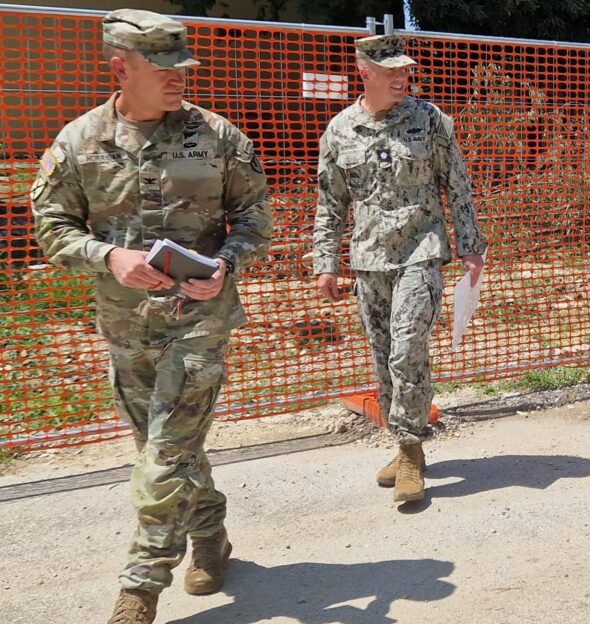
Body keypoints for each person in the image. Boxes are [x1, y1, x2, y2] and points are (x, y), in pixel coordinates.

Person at [30, 10, 272, 624]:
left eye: (181, 67)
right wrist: (108, 256)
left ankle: (140, 586)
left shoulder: (217, 136)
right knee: (165, 448)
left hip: (201, 319)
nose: (177, 79)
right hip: (126, 325)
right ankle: (211, 532)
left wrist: (227, 262)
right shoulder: (78, 142)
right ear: (120, 68)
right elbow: (52, 229)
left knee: (164, 453)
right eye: (161, 68)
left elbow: (255, 218)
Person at [313, 34, 486, 504]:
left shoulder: (430, 120)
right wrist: (324, 262)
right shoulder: (340, 129)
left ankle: (411, 449)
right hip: (368, 260)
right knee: (383, 355)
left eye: (404, 69)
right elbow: (330, 202)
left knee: (408, 347)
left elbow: (458, 184)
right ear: (363, 71)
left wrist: (471, 245)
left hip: (421, 251)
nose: (401, 77)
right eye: (390, 70)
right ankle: (401, 438)